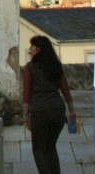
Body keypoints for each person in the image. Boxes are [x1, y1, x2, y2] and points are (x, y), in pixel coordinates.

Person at [22, 35, 77, 174]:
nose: (30, 49)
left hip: (40, 111)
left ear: (38, 49)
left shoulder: (30, 68)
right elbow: (65, 90)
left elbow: (27, 93)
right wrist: (71, 111)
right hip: (57, 110)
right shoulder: (56, 67)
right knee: (50, 147)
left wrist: (25, 116)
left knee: (39, 150)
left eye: (32, 46)